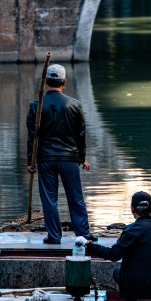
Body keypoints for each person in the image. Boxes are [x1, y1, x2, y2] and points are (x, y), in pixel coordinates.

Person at [27, 64, 95, 245]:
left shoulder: (36, 107)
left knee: (49, 199)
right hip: (69, 158)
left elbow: (32, 138)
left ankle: (54, 236)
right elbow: (80, 135)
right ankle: (84, 235)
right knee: (75, 197)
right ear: (64, 81)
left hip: (45, 159)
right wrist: (82, 158)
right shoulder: (75, 105)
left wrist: (31, 162)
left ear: (46, 82)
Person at [75, 191, 151, 301]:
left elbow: (113, 255)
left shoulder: (132, 229)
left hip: (140, 291)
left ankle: (129, 299)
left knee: (118, 272)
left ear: (132, 209)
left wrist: (87, 244)